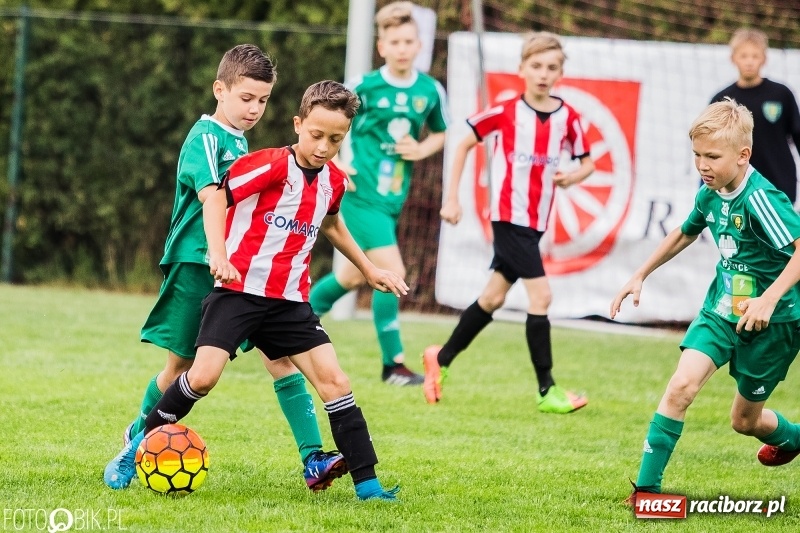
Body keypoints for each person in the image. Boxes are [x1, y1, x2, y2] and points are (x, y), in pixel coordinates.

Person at [106, 80, 407, 501]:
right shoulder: (268, 164)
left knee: (336, 382)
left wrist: (369, 268)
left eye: (335, 139)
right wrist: (219, 254)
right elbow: (216, 201)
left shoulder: (333, 182)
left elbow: (333, 224)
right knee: (203, 375)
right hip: (239, 293)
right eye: (316, 135)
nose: (323, 146)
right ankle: (134, 447)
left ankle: (369, 487)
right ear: (298, 124)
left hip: (289, 303)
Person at [611, 98, 800, 504]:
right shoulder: (710, 194)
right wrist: (640, 274)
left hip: (774, 321)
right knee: (680, 386)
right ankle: (647, 494)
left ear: (743, 154)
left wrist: (768, 298)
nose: (703, 165)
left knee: (744, 421)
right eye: (697, 155)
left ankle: (795, 438)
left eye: (712, 156)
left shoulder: (762, 199)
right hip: (721, 310)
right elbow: (684, 232)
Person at [421, 32, 593, 413]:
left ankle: (441, 357)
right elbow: (463, 142)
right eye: (536, 66)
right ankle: (547, 390)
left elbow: (588, 162)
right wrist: (452, 198)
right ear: (521, 69)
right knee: (541, 296)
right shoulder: (505, 110)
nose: (543, 74)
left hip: (536, 222)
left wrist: (573, 177)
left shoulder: (569, 117)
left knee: (493, 298)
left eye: (551, 67)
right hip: (508, 218)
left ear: (561, 72)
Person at [308, 1, 449, 386]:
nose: (402, 47)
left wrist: (421, 149)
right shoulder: (364, 85)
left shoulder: (430, 90)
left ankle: (282, 324)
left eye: (409, 40)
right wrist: (338, 163)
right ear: (382, 47)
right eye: (394, 41)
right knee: (393, 273)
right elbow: (327, 121)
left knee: (353, 278)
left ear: (419, 44)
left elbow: (441, 131)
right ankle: (394, 365)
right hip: (359, 195)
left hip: (392, 201)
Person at [710, 28, 800, 205]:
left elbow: (798, 134)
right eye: (744, 56)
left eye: (755, 56)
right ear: (733, 58)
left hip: (778, 182)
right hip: (736, 185)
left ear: (764, 59)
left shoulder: (781, 94)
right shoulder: (722, 100)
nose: (749, 62)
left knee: (781, 232)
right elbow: (711, 145)